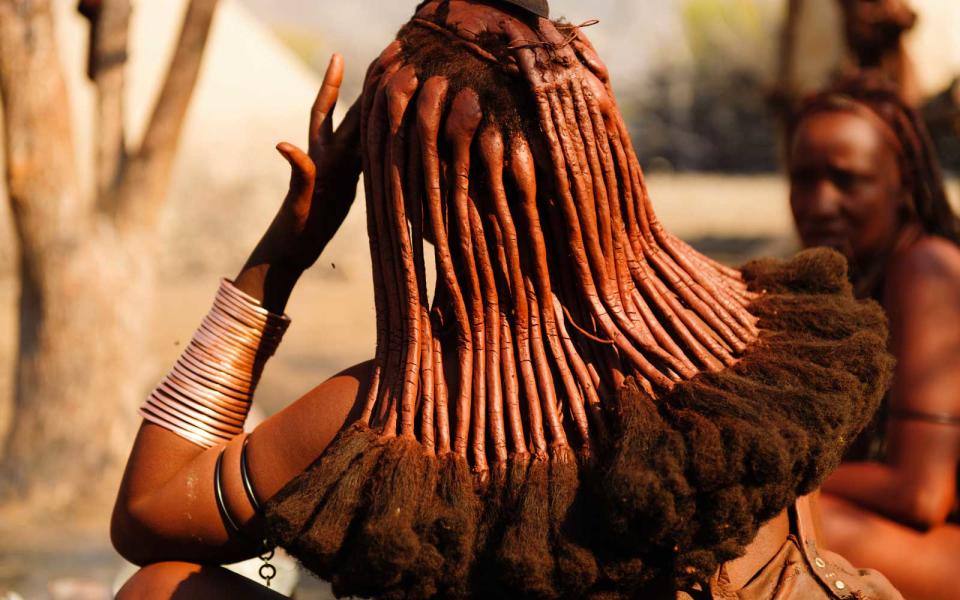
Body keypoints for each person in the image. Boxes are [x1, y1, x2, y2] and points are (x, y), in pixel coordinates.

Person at [112, 2, 901, 598]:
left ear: (409, 202)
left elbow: (147, 513)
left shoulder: (398, 419)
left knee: (163, 592)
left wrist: (279, 258)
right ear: (598, 150)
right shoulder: (752, 339)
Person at [787, 78, 960, 600]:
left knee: (778, 532)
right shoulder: (852, 280)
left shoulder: (927, 267)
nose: (820, 203)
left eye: (847, 179)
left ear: (902, 183)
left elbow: (921, 493)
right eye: (803, 179)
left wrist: (782, 469)